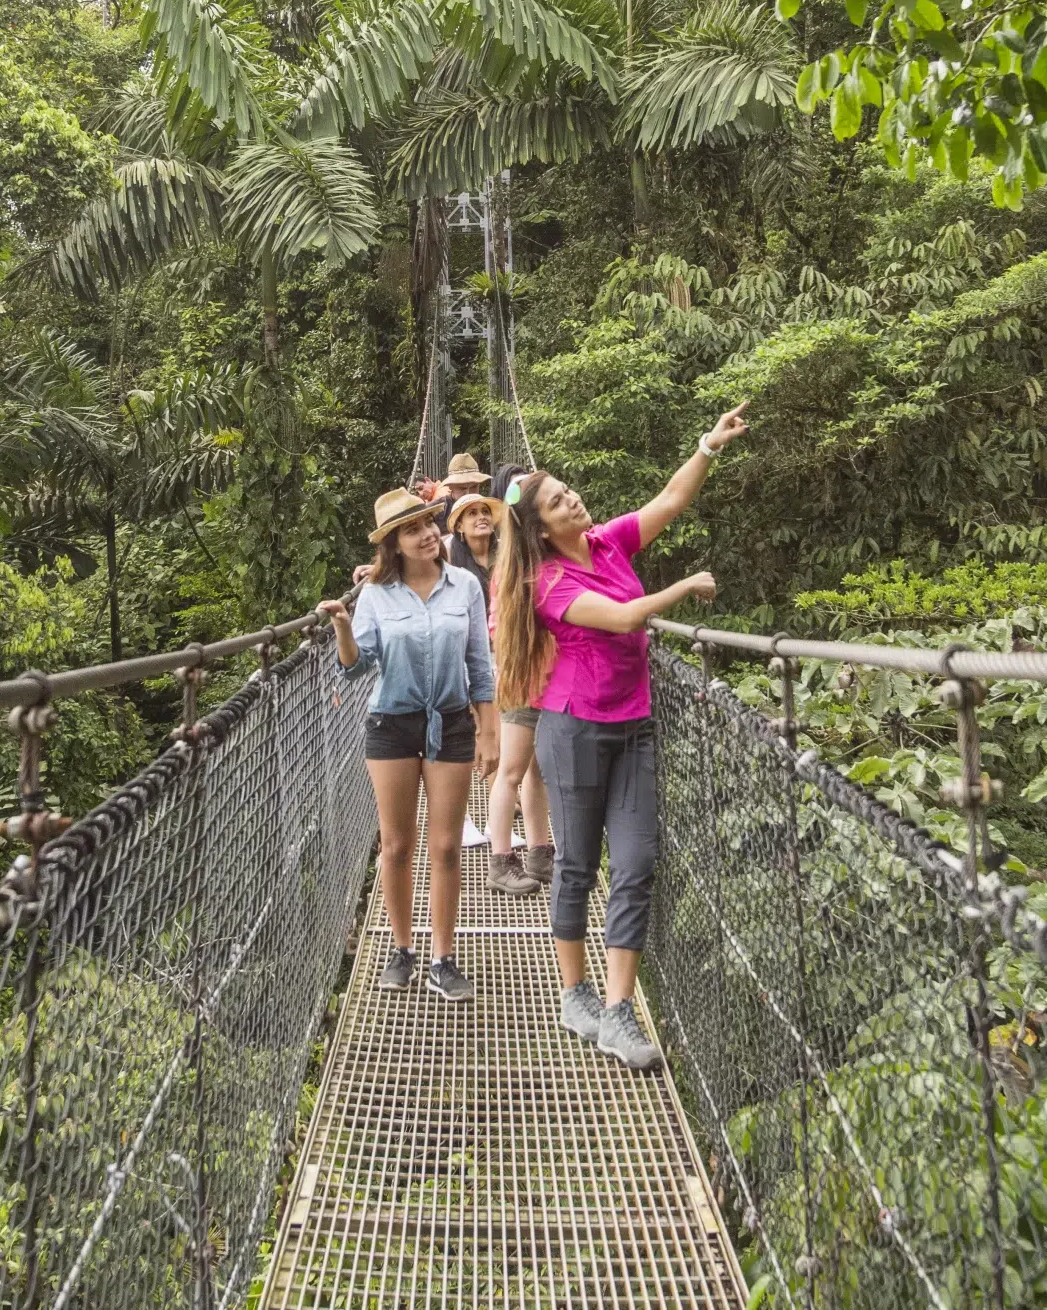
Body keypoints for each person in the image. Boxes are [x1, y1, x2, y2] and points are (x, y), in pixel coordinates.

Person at [492, 405, 751, 1070]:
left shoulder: (609, 542)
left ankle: (617, 1009)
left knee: (635, 865)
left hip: (633, 725)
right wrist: (685, 585)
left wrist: (707, 446)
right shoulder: (546, 580)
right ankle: (573, 993)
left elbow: (670, 498)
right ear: (541, 529)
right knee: (577, 864)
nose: (570, 498)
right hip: (574, 728)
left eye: (566, 490)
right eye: (555, 500)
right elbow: (625, 616)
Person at [322, 486, 498, 1002]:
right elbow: (355, 671)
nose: (425, 535)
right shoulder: (375, 595)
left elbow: (480, 666)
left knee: (445, 846)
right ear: (392, 544)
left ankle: (444, 958)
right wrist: (342, 627)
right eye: (411, 529)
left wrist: (488, 732)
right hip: (391, 724)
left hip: (451, 722)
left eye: (427, 525)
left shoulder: (465, 586)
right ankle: (402, 950)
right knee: (397, 845)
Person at [452, 489, 551, 896]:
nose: (481, 518)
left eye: (485, 512)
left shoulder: (511, 555)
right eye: (470, 513)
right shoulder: (464, 558)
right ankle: (502, 857)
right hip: (507, 671)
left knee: (535, 770)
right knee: (509, 770)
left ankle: (541, 852)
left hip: (534, 673)